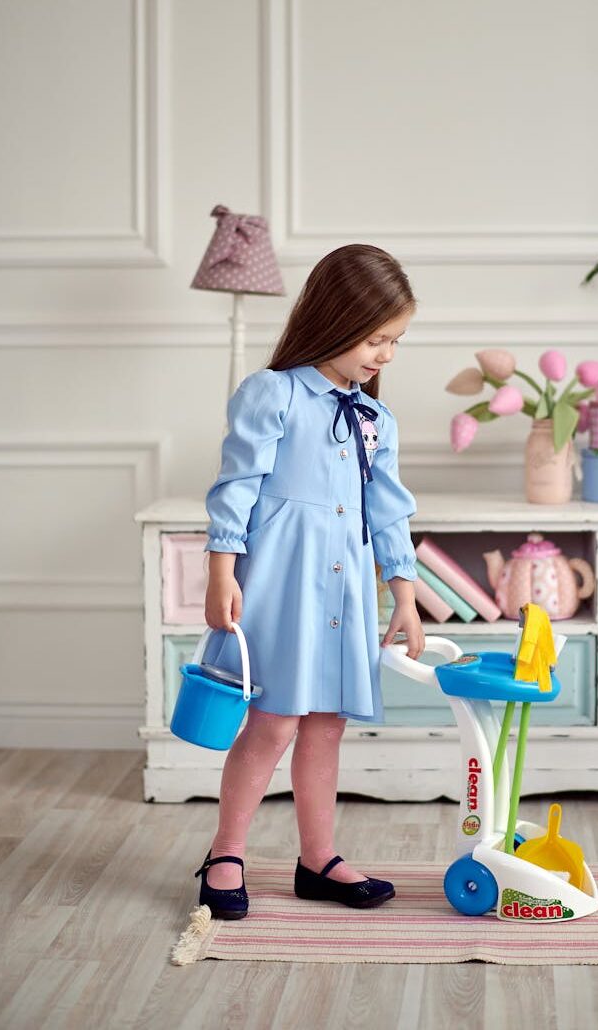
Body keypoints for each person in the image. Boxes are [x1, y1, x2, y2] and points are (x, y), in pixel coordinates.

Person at [193, 244, 426, 918]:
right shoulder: (275, 394)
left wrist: (404, 595)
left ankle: (317, 857)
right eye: (376, 337)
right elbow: (235, 488)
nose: (385, 354)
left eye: (396, 341)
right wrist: (220, 571)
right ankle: (227, 850)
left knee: (326, 726)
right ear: (334, 318)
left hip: (345, 590)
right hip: (282, 585)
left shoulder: (376, 420)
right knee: (272, 723)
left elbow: (389, 510)